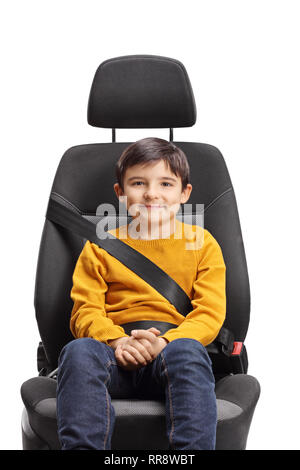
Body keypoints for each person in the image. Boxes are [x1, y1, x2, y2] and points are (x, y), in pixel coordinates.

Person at [56, 137, 226, 450]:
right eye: (138, 182)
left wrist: (164, 342)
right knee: (78, 351)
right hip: (113, 355)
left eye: (165, 183)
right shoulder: (99, 247)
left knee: (188, 352)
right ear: (120, 193)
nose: (151, 193)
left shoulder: (202, 244)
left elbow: (209, 312)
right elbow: (85, 311)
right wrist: (118, 341)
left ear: (184, 194)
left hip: (173, 352)